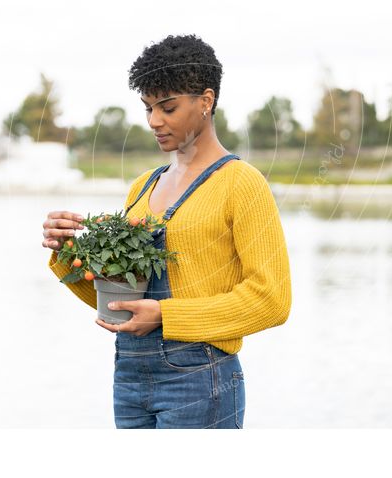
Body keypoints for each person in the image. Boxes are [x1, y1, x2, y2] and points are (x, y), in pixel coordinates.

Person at [41, 34, 291, 428]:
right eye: (148, 108)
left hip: (200, 381)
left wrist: (165, 314)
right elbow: (122, 302)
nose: (154, 121)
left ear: (206, 101)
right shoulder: (143, 187)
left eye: (168, 107)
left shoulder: (242, 183)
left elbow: (272, 300)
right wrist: (67, 252)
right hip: (129, 379)